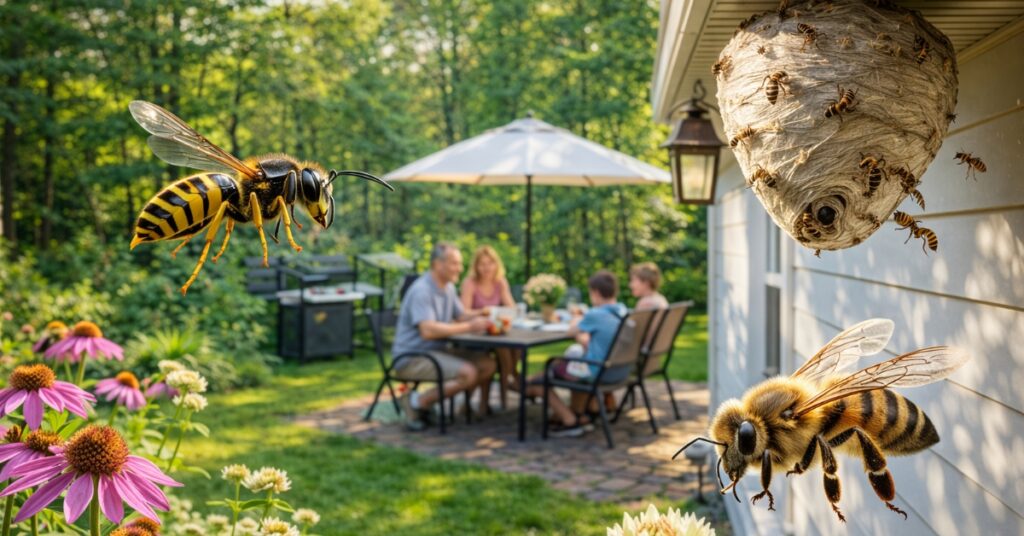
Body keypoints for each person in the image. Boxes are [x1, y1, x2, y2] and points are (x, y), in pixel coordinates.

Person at [392, 242, 497, 431]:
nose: (460, 268)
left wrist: (485, 313)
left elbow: (461, 315)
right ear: (437, 264)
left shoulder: (447, 288)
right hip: (412, 358)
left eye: (460, 263)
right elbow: (428, 330)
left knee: (487, 364)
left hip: (437, 351)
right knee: (469, 372)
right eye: (454, 263)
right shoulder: (422, 290)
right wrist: (469, 326)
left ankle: (440, 405)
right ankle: (417, 401)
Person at [526, 270, 627, 437]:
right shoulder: (623, 311)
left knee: (542, 378)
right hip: (619, 370)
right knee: (573, 358)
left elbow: (570, 332)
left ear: (595, 293)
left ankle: (569, 420)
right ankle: (579, 414)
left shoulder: (596, 314)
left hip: (598, 371)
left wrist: (575, 319)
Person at [460, 245, 518, 410]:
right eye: (482, 264)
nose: (486, 268)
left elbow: (511, 308)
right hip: (474, 335)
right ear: (476, 266)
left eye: (490, 263)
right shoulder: (469, 283)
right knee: (499, 352)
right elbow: (462, 313)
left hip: (494, 333)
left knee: (511, 349)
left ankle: (501, 393)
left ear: (496, 264)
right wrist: (482, 312)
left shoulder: (500, 282)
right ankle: (512, 381)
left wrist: (504, 314)